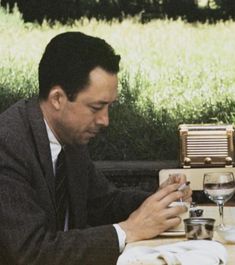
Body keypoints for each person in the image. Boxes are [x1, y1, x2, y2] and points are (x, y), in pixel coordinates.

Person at [0, 31, 192, 265]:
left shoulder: (70, 137)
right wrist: (127, 231)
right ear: (57, 98)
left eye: (109, 106)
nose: (105, 120)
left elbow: (104, 203)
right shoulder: (8, 144)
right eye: (96, 107)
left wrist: (161, 200)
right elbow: (30, 253)